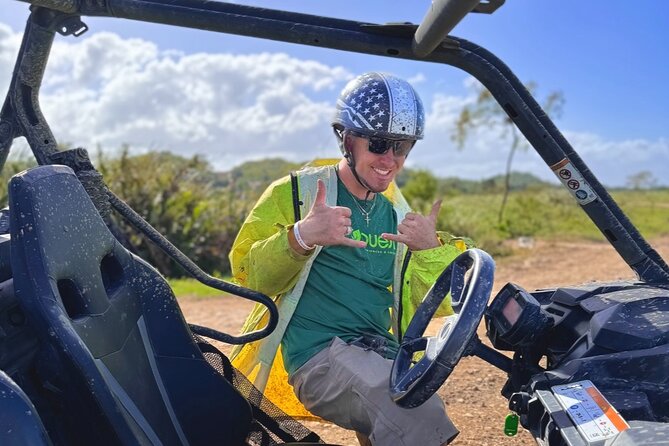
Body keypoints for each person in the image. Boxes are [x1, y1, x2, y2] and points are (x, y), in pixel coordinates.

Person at [230, 72, 469, 445]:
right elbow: (249, 276)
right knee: (416, 411)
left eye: (402, 147)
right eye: (378, 143)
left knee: (391, 415)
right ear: (347, 139)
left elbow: (431, 304)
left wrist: (430, 250)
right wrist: (302, 236)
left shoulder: (396, 214)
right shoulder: (298, 194)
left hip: (378, 349)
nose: (390, 160)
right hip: (319, 355)